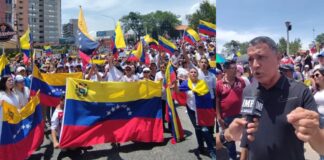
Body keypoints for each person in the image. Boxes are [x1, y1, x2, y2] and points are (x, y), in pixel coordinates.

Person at [240, 36, 324, 160]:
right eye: (251, 59)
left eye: (261, 57)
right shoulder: (248, 91)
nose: (255, 65)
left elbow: (321, 148)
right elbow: (246, 131)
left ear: (278, 58)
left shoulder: (300, 91)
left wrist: (314, 132)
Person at [178, 67, 216, 160]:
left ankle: (211, 150)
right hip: (191, 110)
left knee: (204, 129)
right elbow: (178, 92)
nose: (194, 73)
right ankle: (201, 147)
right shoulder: (185, 83)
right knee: (197, 128)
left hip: (202, 110)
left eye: (195, 72)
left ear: (197, 74)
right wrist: (174, 86)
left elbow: (207, 97)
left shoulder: (202, 83)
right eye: (191, 72)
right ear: (189, 74)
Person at [216, 60, 246, 160]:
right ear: (226, 70)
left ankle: (245, 156)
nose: (235, 70)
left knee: (244, 137)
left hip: (240, 115)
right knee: (229, 139)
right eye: (233, 68)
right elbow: (217, 100)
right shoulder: (219, 84)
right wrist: (219, 117)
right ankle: (232, 157)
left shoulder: (241, 81)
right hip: (226, 116)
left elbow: (246, 96)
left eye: (236, 68)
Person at [313, 67, 324, 160]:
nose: (315, 77)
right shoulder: (316, 90)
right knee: (321, 144)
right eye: (313, 75)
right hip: (318, 119)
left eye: (317, 75)